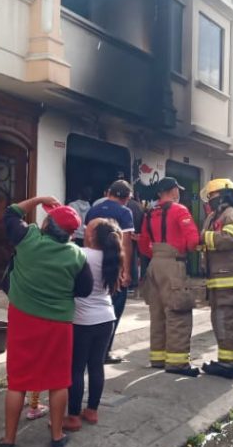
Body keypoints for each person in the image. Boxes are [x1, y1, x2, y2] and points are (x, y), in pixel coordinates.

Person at [0, 195, 93, 447]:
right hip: (58, 323)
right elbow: (85, 290)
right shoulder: (76, 255)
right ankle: (57, 437)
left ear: (48, 224)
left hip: (23, 320)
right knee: (58, 381)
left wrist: (39, 200)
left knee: (17, 382)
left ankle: (8, 441)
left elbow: (10, 213)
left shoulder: (28, 239)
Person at [65, 218, 125, 431]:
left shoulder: (81, 254)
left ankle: (72, 416)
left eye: (88, 229)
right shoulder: (115, 256)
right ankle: (92, 410)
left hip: (82, 320)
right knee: (96, 365)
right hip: (106, 318)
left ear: (92, 236)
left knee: (77, 368)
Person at [137, 177, 201, 376]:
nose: (178, 193)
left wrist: (157, 255)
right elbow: (193, 241)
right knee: (178, 312)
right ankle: (177, 363)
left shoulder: (150, 214)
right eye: (177, 190)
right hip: (174, 265)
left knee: (157, 313)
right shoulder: (180, 210)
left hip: (154, 264)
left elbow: (143, 244)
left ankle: (157, 359)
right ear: (173, 191)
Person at [199, 179, 233, 379]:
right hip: (218, 279)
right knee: (220, 321)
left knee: (228, 322)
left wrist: (204, 238)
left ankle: (230, 365)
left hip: (229, 279)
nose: (210, 201)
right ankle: (226, 361)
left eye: (212, 196)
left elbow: (230, 238)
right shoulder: (214, 216)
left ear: (223, 195)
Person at [84, 180, 135, 364]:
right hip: (113, 266)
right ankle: (104, 352)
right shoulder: (124, 212)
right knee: (113, 309)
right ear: (126, 197)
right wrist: (126, 271)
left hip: (91, 263)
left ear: (109, 193)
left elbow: (86, 238)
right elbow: (126, 243)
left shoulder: (93, 209)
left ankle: (88, 350)